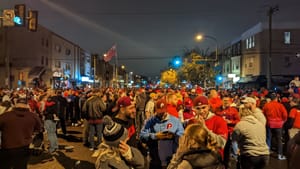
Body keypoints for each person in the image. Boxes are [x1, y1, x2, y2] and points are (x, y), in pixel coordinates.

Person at [140, 99, 184, 169]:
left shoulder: (175, 121)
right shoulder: (149, 121)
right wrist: (155, 136)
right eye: (160, 112)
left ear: (166, 109)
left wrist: (173, 136)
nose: (162, 114)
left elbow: (182, 136)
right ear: (155, 110)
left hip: (171, 159)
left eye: (163, 112)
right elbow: (142, 136)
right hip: (155, 159)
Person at [0, 97, 42, 169]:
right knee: (21, 166)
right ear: (26, 105)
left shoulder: (5, 116)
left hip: (7, 147)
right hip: (24, 147)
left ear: (16, 105)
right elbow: (39, 129)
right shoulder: (33, 116)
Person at [263, 93, 288, 160]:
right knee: (279, 140)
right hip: (279, 124)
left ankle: (267, 152)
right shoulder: (280, 105)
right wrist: (283, 121)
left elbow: (264, 114)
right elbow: (285, 115)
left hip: (269, 124)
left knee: (268, 138)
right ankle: (280, 155)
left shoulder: (266, 105)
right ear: (276, 98)